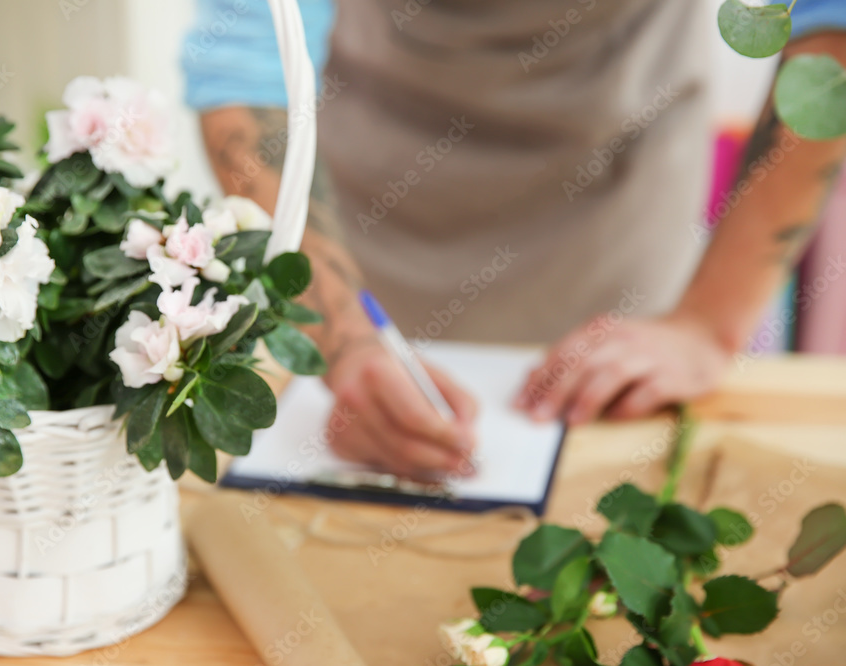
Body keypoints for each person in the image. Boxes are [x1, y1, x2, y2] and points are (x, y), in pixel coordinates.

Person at [183, 0, 846, 478]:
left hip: (617, 196)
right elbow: (245, 56)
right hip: (372, 200)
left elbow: (832, 26)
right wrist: (344, 336)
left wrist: (708, 322)